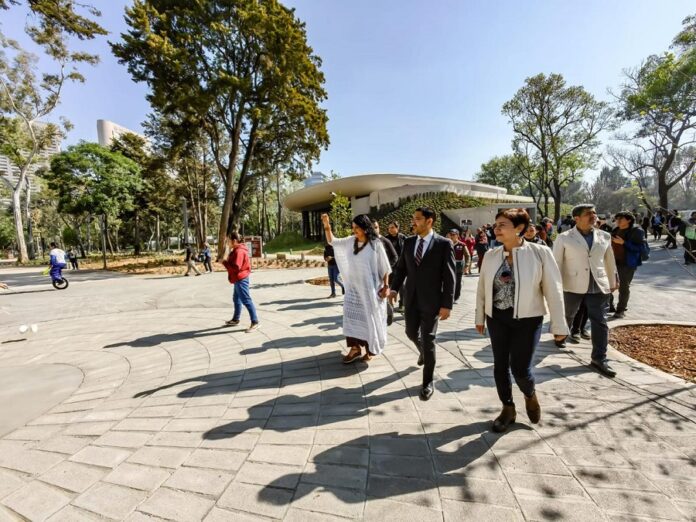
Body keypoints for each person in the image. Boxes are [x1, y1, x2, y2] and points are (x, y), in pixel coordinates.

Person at [475, 208, 568, 432]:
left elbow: (553, 290)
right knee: (500, 367)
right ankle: (507, 408)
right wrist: (480, 316)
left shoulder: (539, 253)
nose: (496, 229)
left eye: (502, 225)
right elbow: (481, 289)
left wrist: (559, 324)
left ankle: (530, 394)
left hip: (528, 319)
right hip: (497, 318)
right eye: (496, 224)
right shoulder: (491, 255)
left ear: (519, 228)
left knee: (520, 369)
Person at [389, 207, 456, 401]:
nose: (413, 222)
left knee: (429, 340)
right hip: (410, 299)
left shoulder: (444, 244)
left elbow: (449, 277)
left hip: (432, 302)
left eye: (417, 219)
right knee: (410, 332)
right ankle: (423, 353)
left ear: (429, 221)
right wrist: (394, 289)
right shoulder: (409, 243)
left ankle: (427, 382)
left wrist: (447, 304)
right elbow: (401, 268)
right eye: (413, 218)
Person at [553, 204, 619, 377]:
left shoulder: (604, 236)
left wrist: (613, 280)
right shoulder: (564, 237)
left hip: (598, 284)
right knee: (568, 315)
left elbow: (609, 260)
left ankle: (599, 358)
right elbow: (557, 263)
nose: (594, 216)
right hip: (572, 284)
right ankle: (560, 334)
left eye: (595, 213)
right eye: (589, 214)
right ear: (577, 218)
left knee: (600, 322)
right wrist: (555, 285)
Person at [322, 213, 391, 363]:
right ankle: (354, 349)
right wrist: (327, 225)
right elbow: (332, 241)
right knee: (351, 318)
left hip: (370, 290)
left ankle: (370, 349)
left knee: (368, 319)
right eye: (353, 227)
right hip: (353, 290)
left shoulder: (375, 244)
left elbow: (384, 267)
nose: (354, 231)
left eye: (357, 228)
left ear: (366, 228)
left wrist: (386, 286)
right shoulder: (350, 241)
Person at [610, 211, 646, 319]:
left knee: (623, 287)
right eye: (617, 219)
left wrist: (624, 243)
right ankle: (610, 306)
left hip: (627, 263)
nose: (618, 221)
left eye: (621, 218)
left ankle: (620, 309)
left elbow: (640, 248)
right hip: (613, 262)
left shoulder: (636, 231)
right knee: (608, 285)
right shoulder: (616, 230)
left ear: (629, 220)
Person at [222, 232, 259, 332]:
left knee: (246, 300)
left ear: (234, 241)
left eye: (229, 241)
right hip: (238, 278)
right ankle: (236, 319)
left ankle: (255, 322)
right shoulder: (236, 250)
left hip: (241, 279)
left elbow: (236, 267)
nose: (228, 243)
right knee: (236, 298)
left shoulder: (239, 251)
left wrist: (224, 263)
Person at [372, 220, 399, 324]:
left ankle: (389, 312)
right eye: (372, 227)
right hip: (374, 275)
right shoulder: (368, 241)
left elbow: (395, 257)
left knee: (385, 295)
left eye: (376, 227)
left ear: (379, 228)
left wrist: (386, 269)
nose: (374, 229)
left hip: (386, 275)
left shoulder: (385, 241)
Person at [386, 221, 407, 310]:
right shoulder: (386, 239)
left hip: (401, 266)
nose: (390, 229)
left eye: (392, 227)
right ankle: (389, 305)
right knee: (390, 285)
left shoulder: (403, 238)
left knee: (402, 286)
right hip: (390, 265)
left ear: (397, 228)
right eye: (389, 228)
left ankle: (402, 304)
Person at [447, 229, 469, 304]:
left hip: (458, 266)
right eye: (451, 234)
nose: (452, 236)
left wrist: (466, 266)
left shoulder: (462, 245)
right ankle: (448, 297)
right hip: (448, 266)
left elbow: (467, 256)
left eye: (454, 234)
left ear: (457, 235)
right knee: (448, 282)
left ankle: (456, 297)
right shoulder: (446, 244)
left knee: (457, 282)